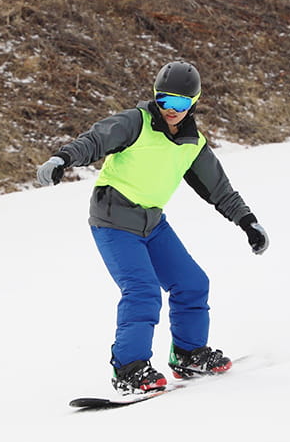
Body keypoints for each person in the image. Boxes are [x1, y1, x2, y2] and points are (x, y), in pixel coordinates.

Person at [36, 61, 268, 395]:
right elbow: (95, 140)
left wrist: (248, 222)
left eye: (181, 104)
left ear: (194, 102)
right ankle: (129, 369)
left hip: (153, 222)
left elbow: (218, 189)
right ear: (155, 98)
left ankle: (188, 353)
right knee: (142, 292)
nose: (172, 110)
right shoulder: (135, 122)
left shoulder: (193, 143)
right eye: (165, 101)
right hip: (113, 219)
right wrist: (63, 159)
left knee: (192, 283)